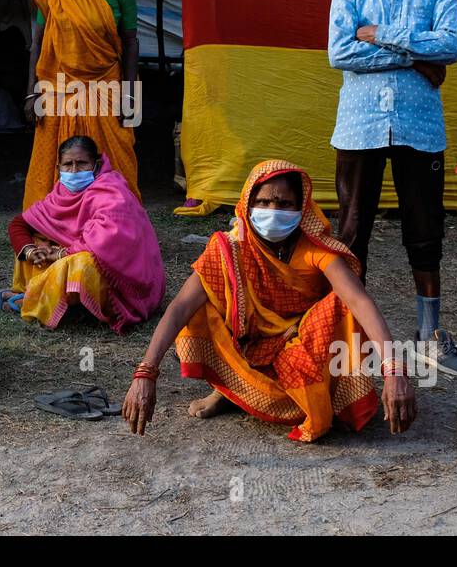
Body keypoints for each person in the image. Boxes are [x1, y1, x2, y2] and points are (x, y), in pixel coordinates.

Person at [122, 160, 416, 442]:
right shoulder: (229, 249)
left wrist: (394, 370)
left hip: (299, 347)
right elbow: (179, 308)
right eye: (263, 202)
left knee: (343, 307)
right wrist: (146, 373)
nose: (273, 210)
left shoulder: (315, 249)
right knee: (200, 308)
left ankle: (308, 396)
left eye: (285, 204)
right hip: (247, 347)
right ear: (247, 204)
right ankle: (228, 390)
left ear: (301, 208)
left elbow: (358, 300)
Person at [327, 0, 457, 376]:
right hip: (359, 124)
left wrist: (382, 35)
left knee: (425, 231)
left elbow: (451, 46)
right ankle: (351, 336)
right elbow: (340, 53)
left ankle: (430, 336)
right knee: (350, 231)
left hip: (419, 126)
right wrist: (417, 55)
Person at [23, 0, 140, 208]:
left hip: (107, 85)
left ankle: (116, 218)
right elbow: (37, 43)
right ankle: (54, 219)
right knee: (54, 156)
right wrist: (31, 92)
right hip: (59, 87)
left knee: (116, 154)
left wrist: (131, 97)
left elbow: (131, 42)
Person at [0, 135, 165, 332]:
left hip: (121, 283)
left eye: (82, 163)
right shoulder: (61, 193)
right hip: (74, 254)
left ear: (97, 164)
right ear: (58, 167)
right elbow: (19, 224)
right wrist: (33, 252)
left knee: (82, 263)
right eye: (68, 165)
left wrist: (59, 254)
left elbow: (105, 242)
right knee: (34, 241)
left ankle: (36, 301)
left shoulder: (112, 192)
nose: (74, 171)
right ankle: (44, 296)